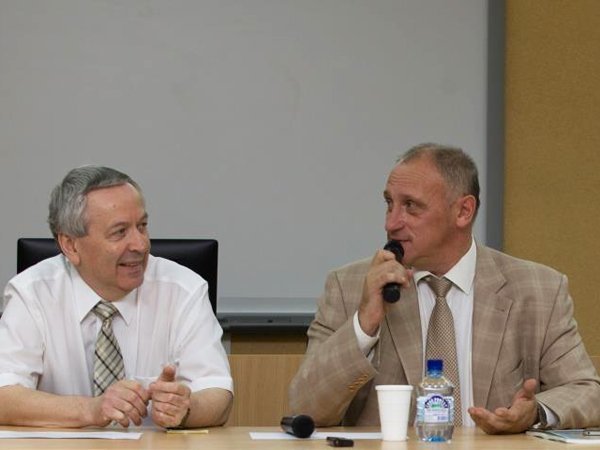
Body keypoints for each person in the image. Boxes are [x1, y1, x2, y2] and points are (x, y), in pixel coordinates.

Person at [289, 143, 600, 434]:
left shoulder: (538, 290)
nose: (391, 223)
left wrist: (534, 413)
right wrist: (364, 324)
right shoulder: (349, 287)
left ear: (463, 211)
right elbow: (306, 408)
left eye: (411, 206)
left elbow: (588, 392)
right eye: (389, 204)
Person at [0, 166, 233, 428]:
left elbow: (218, 393)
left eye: (142, 226)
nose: (141, 245)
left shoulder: (183, 290)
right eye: (120, 232)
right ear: (71, 245)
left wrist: (187, 409)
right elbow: (4, 395)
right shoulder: (32, 293)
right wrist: (91, 410)